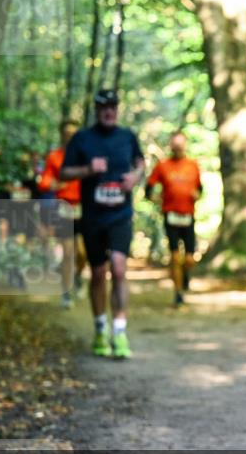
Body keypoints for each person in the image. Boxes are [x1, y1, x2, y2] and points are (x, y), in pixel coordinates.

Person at [61, 89, 145, 358]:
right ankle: (100, 329)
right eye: (104, 107)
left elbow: (140, 163)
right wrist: (88, 169)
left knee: (119, 269)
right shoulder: (82, 139)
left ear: (117, 109)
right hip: (93, 218)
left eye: (113, 106)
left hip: (120, 216)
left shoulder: (127, 136)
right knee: (98, 273)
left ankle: (119, 333)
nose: (109, 111)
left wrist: (135, 177)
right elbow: (64, 172)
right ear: (97, 110)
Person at [145, 131, 202, 307]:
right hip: (170, 216)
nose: (178, 148)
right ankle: (178, 294)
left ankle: (185, 275)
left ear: (185, 145)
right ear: (171, 146)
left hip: (188, 216)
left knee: (189, 259)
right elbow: (148, 188)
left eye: (181, 145)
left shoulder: (193, 165)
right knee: (176, 257)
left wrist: (197, 195)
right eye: (175, 145)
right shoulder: (163, 166)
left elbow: (200, 188)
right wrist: (154, 199)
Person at [40, 119, 86, 308]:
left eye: (73, 134)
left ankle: (78, 275)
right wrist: (54, 184)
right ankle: (66, 292)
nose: (70, 137)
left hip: (84, 209)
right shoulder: (54, 157)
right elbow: (44, 180)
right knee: (67, 252)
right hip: (64, 208)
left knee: (82, 252)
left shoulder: (85, 156)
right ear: (62, 136)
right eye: (67, 134)